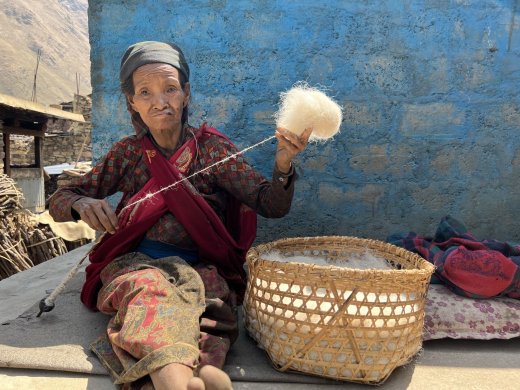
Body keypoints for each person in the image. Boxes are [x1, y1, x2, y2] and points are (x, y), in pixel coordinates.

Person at [49, 41, 312, 390]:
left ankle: (181, 378)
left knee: (208, 305)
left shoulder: (212, 150)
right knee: (150, 292)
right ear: (133, 103)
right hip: (134, 264)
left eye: (170, 89)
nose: (160, 102)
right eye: (145, 92)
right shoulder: (127, 154)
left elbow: (271, 204)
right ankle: (183, 382)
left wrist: (283, 165)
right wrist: (81, 204)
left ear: (185, 94)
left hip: (199, 266)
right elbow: (61, 197)